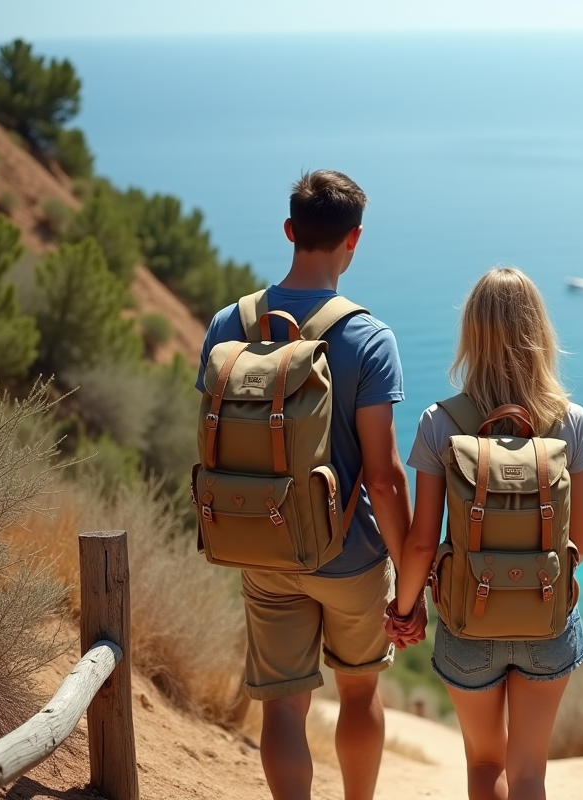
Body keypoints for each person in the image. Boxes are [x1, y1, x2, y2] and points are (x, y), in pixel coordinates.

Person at [195, 170, 416, 800]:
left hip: (264, 544)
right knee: (359, 692)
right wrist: (408, 581)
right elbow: (383, 474)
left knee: (283, 708)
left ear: (290, 231)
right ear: (355, 241)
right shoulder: (368, 338)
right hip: (351, 558)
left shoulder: (227, 326)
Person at [390, 267, 583, 800]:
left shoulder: (440, 422)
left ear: (471, 335)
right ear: (540, 333)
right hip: (546, 619)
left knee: (485, 765)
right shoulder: (569, 421)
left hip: (467, 622)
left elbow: (420, 540)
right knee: (529, 772)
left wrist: (405, 608)